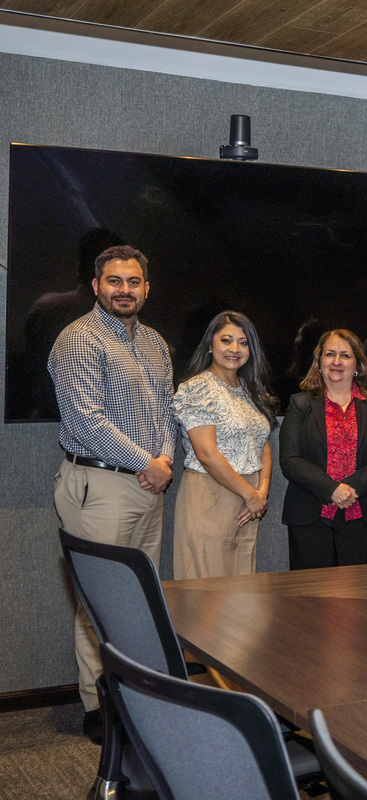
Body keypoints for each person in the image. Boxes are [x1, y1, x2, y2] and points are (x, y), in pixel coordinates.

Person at [48, 245, 176, 742]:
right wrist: (148, 463)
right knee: (98, 600)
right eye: (115, 281)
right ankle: (97, 705)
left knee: (139, 601)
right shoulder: (78, 339)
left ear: (147, 288)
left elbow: (166, 411)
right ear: (96, 286)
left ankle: (135, 698)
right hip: (99, 486)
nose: (125, 290)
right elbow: (86, 420)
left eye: (133, 281)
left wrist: (163, 460)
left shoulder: (155, 342)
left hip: (149, 485)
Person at [279, 329, 367, 569]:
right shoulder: (300, 403)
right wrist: (332, 489)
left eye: (345, 355)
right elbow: (290, 460)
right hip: (310, 514)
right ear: (319, 362)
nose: (336, 361)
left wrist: (350, 489)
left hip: (360, 512)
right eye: (330, 354)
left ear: (357, 365)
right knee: (311, 589)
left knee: (355, 589)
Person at [172, 311, 278, 579]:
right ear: (210, 344)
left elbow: (263, 446)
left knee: (242, 589)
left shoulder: (250, 389)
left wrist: (261, 493)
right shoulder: (198, 388)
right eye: (226, 340)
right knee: (207, 590)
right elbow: (206, 454)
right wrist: (250, 495)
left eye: (243, 343)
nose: (235, 349)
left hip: (249, 499)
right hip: (211, 494)